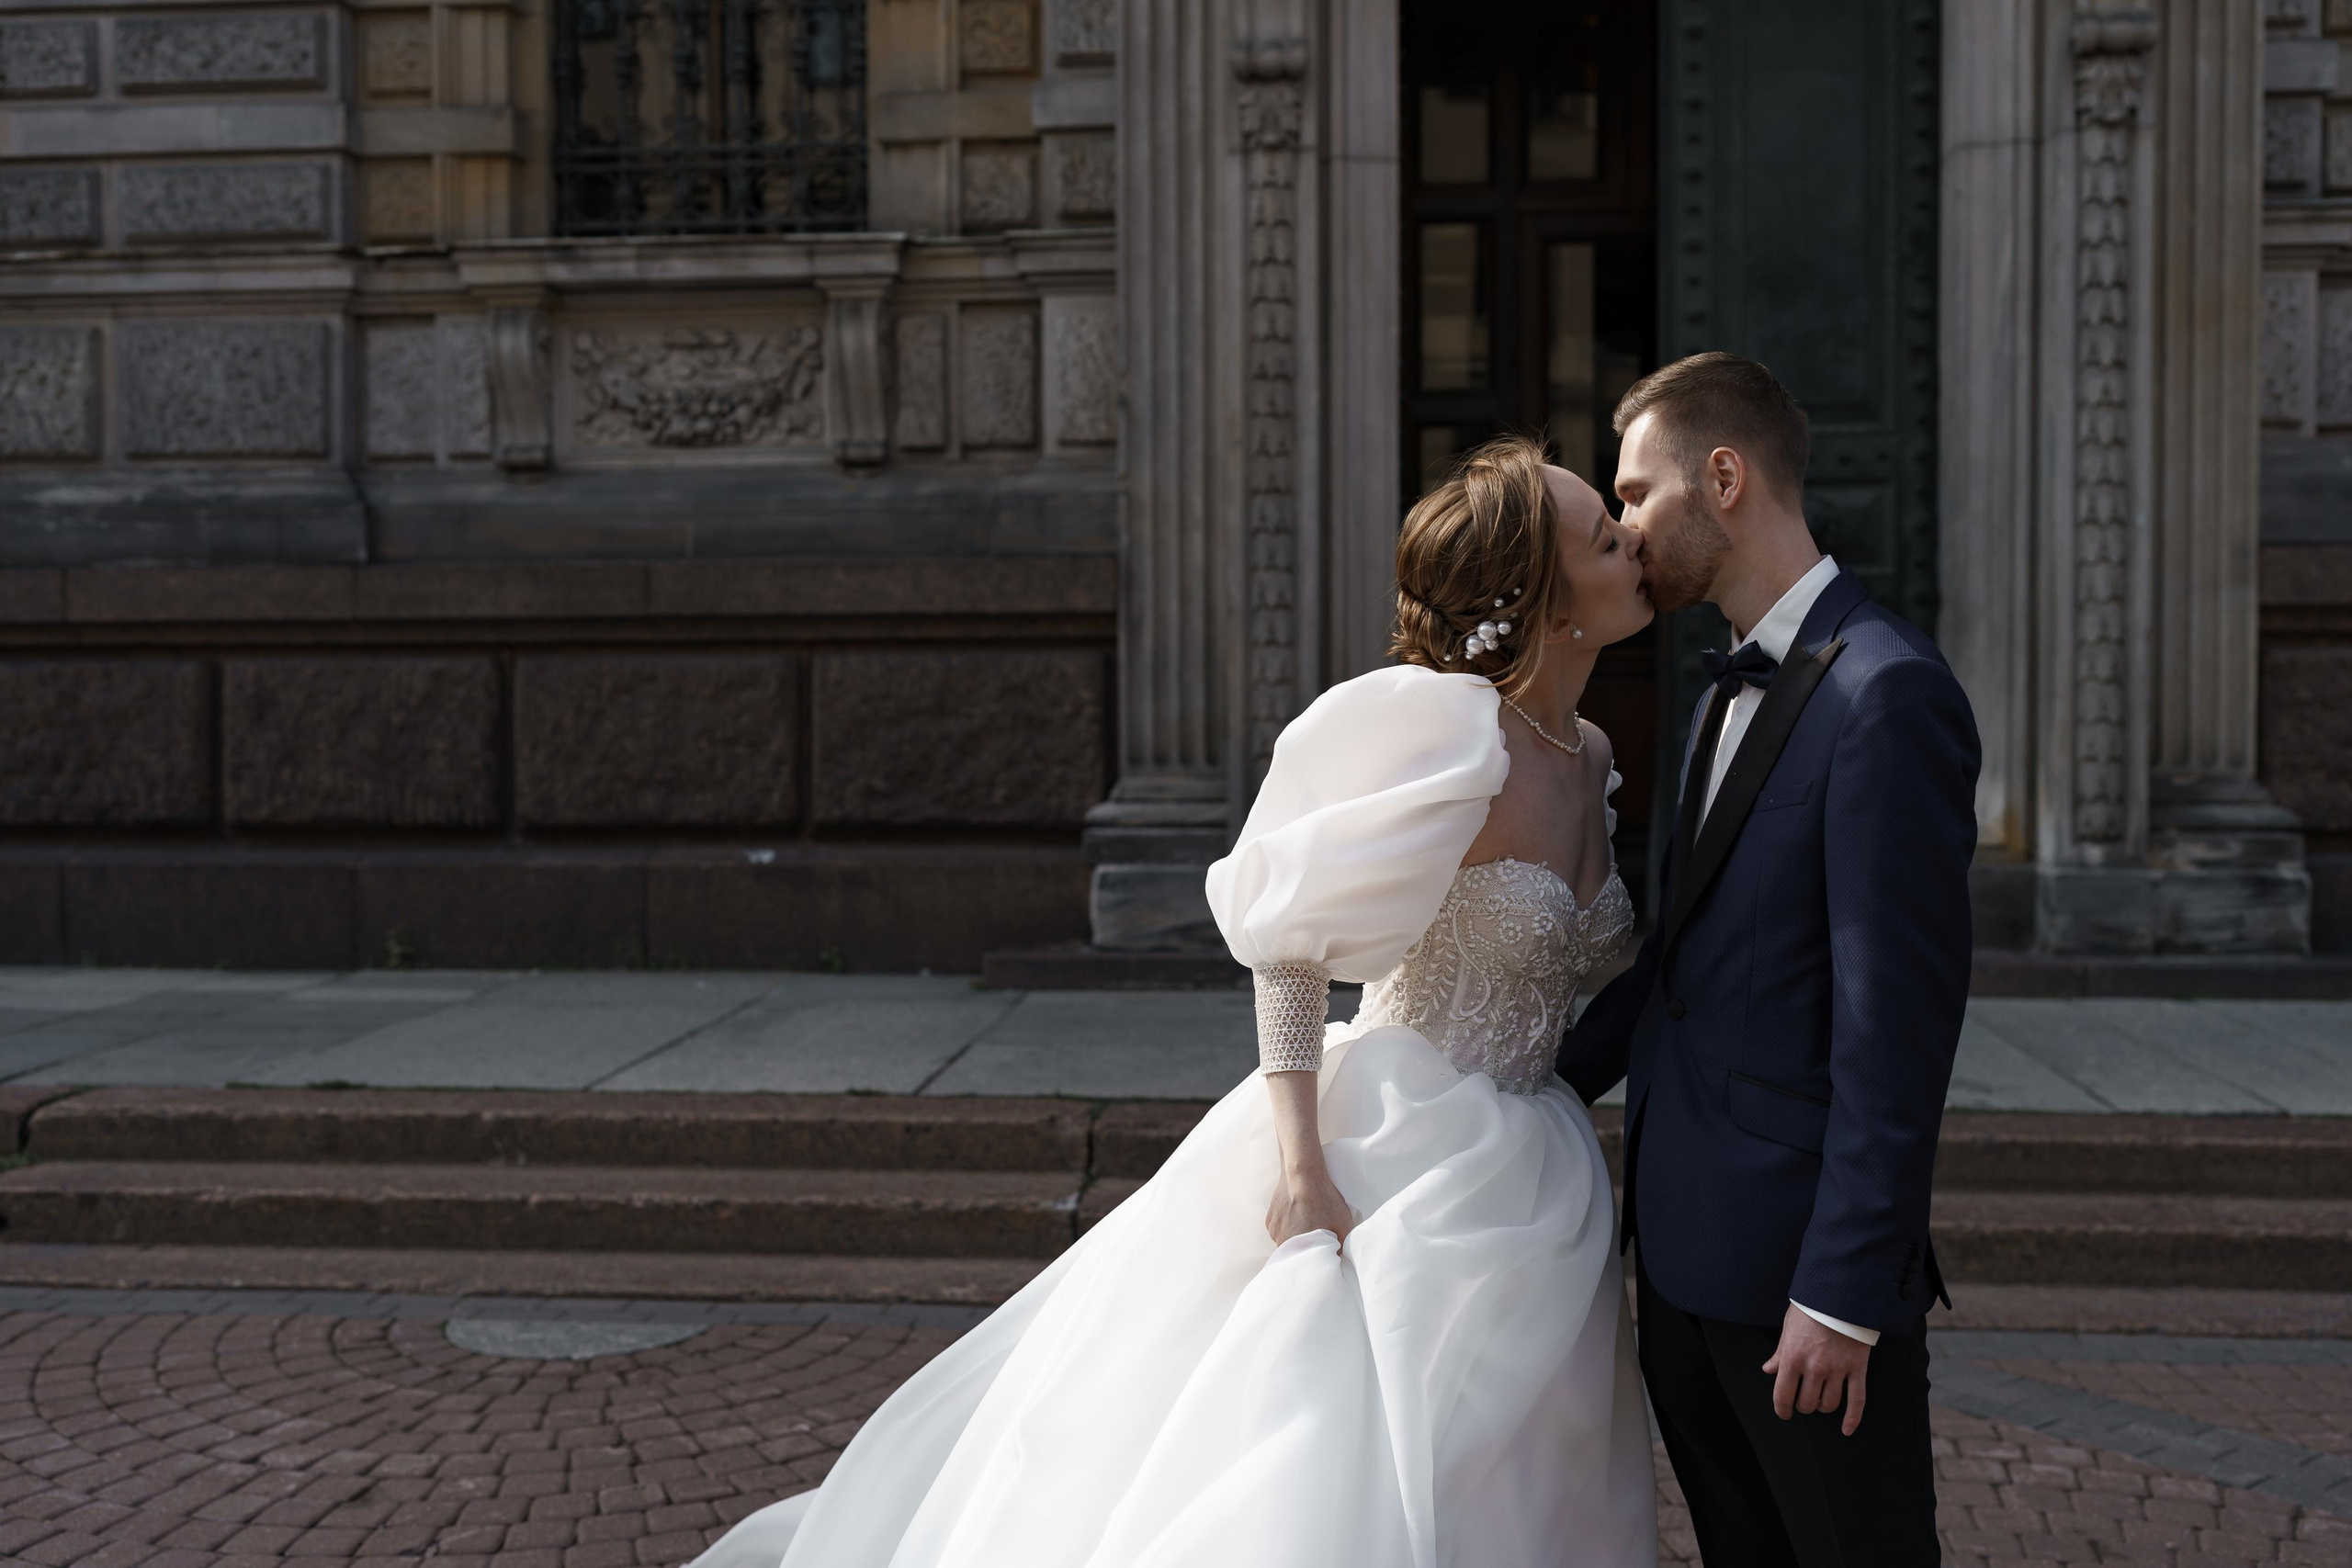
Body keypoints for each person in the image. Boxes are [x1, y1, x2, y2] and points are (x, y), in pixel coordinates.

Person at [688, 434, 1660, 1568]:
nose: (1633, 540)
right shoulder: (1448, 732)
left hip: (1536, 1167)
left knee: (1515, 1466)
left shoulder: (1590, 753)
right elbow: (1289, 943)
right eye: (1604, 535)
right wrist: (1305, 1174)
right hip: (1394, 1139)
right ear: (1547, 602)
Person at [1561, 352, 1980, 1568]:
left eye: (1638, 492)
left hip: (1805, 1289)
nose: (1627, 525)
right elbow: (1672, 965)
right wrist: (1481, 1081)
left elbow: (1895, 1032)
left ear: (1725, 477)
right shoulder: (1714, 693)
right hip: (1686, 1270)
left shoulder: (1890, 695)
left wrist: (1843, 1293)